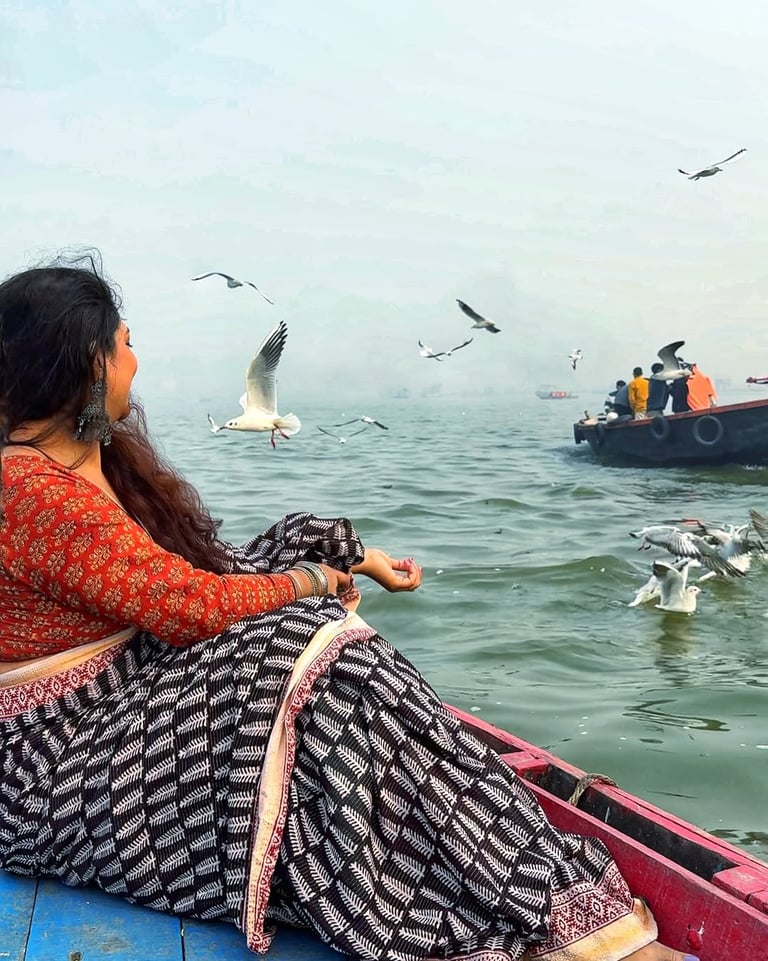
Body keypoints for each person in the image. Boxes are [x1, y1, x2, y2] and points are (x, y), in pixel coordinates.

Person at [0, 255, 695, 961]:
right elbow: (188, 605)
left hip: (120, 707)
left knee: (317, 650)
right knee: (301, 648)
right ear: (89, 362)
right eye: (125, 345)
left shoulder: (91, 457)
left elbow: (208, 568)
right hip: (59, 764)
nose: (135, 363)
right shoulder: (25, 486)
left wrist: (346, 558)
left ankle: (506, 886)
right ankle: (512, 902)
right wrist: (311, 582)